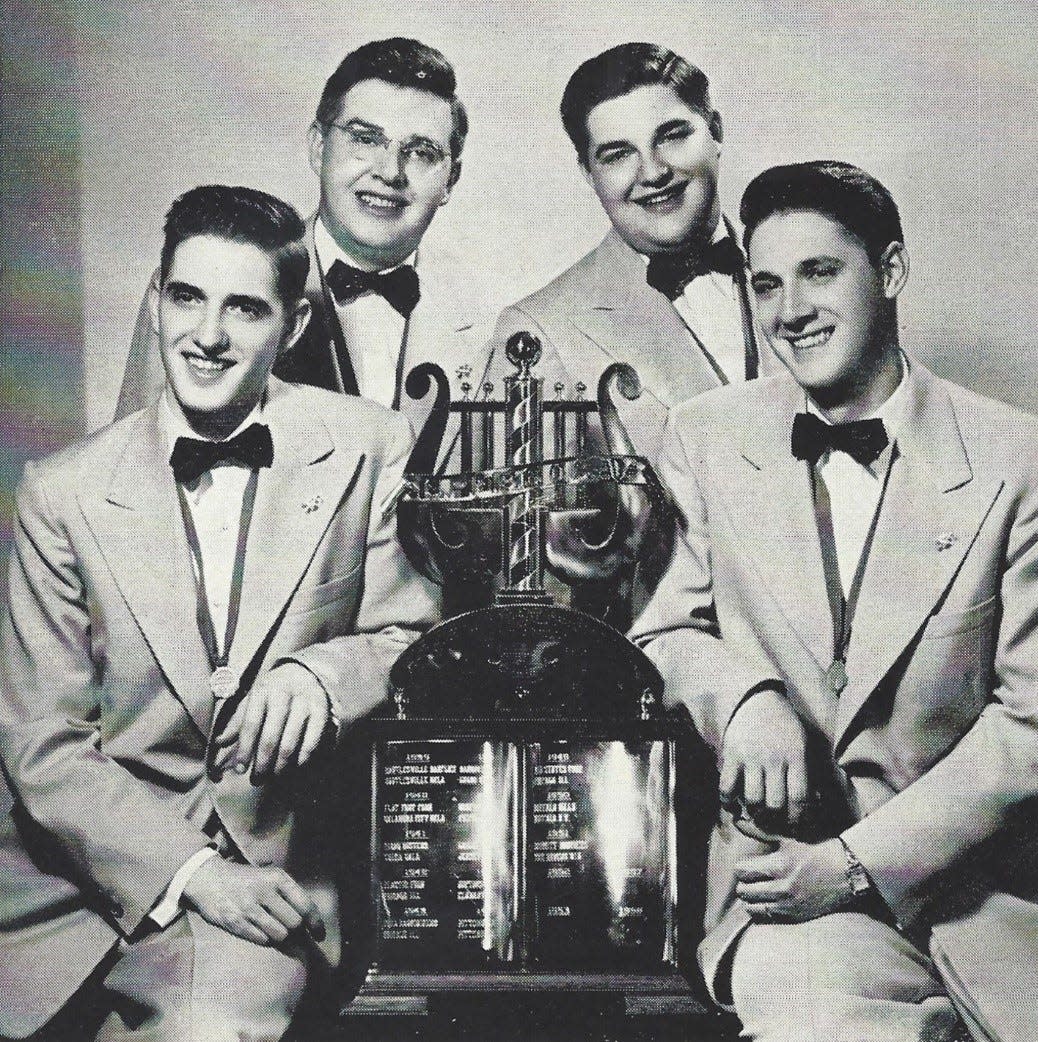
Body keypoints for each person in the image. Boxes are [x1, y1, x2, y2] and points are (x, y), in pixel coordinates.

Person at [630, 161, 1038, 1041]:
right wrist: (746, 701)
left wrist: (857, 865)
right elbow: (665, 628)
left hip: (1004, 910)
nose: (789, 313)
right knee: (809, 1009)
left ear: (889, 271)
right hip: (790, 895)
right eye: (766, 283)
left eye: (820, 272)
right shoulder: (704, 437)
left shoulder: (1031, 463)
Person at [0, 185, 438, 1041]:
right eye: (186, 298)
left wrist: (325, 672)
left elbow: (414, 637)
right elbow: (41, 744)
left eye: (243, 308)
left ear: (295, 325)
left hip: (271, 884)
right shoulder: (60, 492)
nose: (206, 336)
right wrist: (191, 869)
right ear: (157, 301)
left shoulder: (371, 445)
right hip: (65, 892)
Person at [115, 38, 497, 457]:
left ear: (450, 181)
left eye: (422, 152)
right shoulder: (199, 293)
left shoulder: (490, 319)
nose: (390, 173)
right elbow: (133, 474)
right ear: (318, 147)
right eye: (365, 139)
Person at [490, 42, 774, 464]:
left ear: (716, 132)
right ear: (589, 174)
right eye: (619, 155)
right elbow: (535, 523)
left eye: (673, 136)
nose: (654, 173)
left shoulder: (811, 268)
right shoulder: (537, 332)